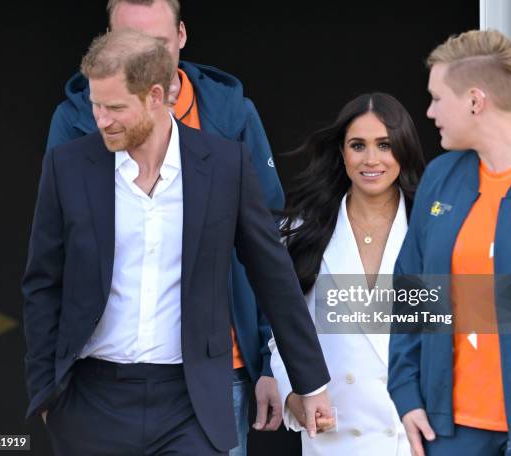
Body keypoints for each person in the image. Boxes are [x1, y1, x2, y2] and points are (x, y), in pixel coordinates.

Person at [23, 29, 332, 456]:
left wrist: (310, 381)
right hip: (91, 401)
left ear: (154, 96)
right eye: (95, 105)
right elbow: (42, 282)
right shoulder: (68, 165)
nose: (101, 120)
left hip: (193, 401)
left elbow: (273, 275)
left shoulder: (224, 164)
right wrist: (45, 393)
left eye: (115, 107)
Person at [388, 29, 511, 456]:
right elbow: (411, 291)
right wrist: (407, 394)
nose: (429, 112)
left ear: (474, 100)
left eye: (436, 97)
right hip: (450, 431)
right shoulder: (440, 178)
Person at [270, 93, 425, 455]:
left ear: (403, 150)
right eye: (358, 145)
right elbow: (284, 331)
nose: (371, 159)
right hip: (335, 440)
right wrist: (292, 394)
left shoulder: (432, 230)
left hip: (413, 439)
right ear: (342, 153)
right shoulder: (301, 232)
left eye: (385, 145)